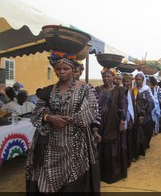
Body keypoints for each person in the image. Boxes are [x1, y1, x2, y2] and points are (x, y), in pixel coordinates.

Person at [25, 51, 101, 194]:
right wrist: (49, 117)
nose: (61, 72)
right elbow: (36, 112)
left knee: (75, 180)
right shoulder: (48, 90)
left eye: (65, 69)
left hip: (76, 143)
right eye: (58, 69)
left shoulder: (85, 89)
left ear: (73, 69)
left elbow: (92, 110)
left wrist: (69, 119)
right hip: (51, 143)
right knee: (46, 177)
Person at [95, 67, 128, 184]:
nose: (106, 78)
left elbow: (124, 106)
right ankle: (100, 173)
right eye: (104, 76)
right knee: (99, 146)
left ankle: (112, 174)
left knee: (111, 146)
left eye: (108, 76)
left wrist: (122, 121)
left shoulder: (119, 90)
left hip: (113, 123)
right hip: (99, 123)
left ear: (113, 78)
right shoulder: (97, 89)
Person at [133, 72, 155, 150]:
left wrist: (144, 111)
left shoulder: (146, 90)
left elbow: (151, 102)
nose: (138, 81)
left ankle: (144, 145)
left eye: (139, 79)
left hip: (145, 114)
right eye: (136, 79)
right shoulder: (133, 90)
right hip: (136, 114)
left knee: (145, 131)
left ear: (142, 80)